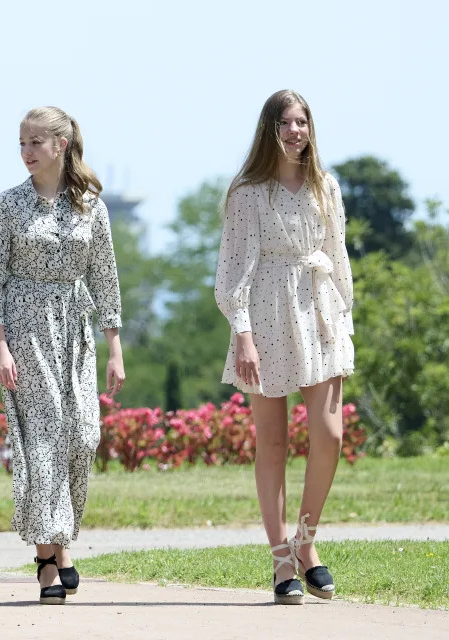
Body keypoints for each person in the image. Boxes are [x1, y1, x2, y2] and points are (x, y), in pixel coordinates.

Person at [214, 89, 353, 605]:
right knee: (271, 442)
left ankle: (307, 540)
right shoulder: (248, 190)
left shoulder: (326, 187)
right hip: (266, 313)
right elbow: (232, 272)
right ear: (269, 130)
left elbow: (338, 258)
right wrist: (244, 335)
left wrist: (345, 320)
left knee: (329, 433)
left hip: (320, 314)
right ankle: (281, 559)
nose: (296, 131)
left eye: (302, 122)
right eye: (285, 123)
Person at [0, 106, 124, 605]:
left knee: (82, 436)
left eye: (35, 142)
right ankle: (47, 560)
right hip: (24, 329)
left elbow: (105, 277)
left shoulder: (91, 205)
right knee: (42, 440)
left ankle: (61, 542)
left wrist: (114, 350)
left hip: (76, 333)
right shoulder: (7, 205)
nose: (26, 152)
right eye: (21, 142)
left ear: (60, 146)